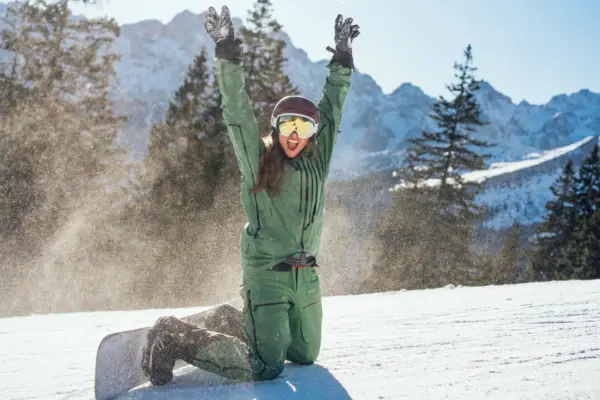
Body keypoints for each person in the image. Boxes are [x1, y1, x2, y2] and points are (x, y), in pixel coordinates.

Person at [140, 4, 360, 386]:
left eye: (304, 128)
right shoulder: (257, 160)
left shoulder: (316, 162)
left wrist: (342, 58)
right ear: (276, 128)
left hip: (306, 276)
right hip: (268, 275)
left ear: (312, 135)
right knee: (265, 366)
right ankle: (173, 334)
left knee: (305, 354)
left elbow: (333, 109)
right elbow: (238, 112)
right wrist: (227, 49)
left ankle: (233, 320)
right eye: (288, 125)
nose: (295, 134)